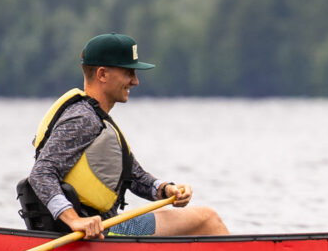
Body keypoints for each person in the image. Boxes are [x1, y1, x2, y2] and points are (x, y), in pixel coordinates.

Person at [17, 33, 229, 238]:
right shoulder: (83, 119)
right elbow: (41, 173)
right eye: (129, 73)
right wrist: (74, 220)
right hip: (106, 231)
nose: (135, 81)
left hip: (108, 225)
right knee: (207, 219)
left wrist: (166, 190)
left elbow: (135, 177)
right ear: (102, 74)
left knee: (193, 222)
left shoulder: (95, 118)